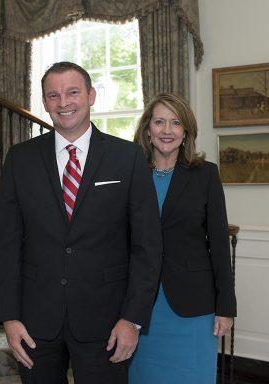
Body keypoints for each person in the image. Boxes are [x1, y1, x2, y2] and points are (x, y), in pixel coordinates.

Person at [0, 61, 163, 384]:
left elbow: (148, 247)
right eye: (53, 95)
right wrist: (9, 317)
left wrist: (133, 319)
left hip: (108, 323)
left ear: (91, 96)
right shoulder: (19, 159)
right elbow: (6, 244)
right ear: (44, 103)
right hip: (35, 324)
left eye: (72, 92)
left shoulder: (127, 158)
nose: (63, 102)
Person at [129, 93, 237, 384]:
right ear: (147, 129)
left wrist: (226, 307)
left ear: (186, 131)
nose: (167, 130)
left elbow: (218, 244)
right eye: (159, 122)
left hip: (193, 307)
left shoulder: (205, 175)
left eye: (176, 123)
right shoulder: (131, 174)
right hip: (140, 307)